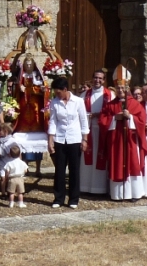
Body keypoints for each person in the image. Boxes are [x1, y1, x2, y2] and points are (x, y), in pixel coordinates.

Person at [98, 73, 147, 201]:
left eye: (123, 88)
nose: (120, 90)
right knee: (117, 162)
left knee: (133, 163)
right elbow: (102, 121)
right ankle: (118, 194)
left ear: (127, 88)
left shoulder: (135, 104)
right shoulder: (110, 105)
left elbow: (142, 121)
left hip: (131, 141)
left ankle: (134, 193)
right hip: (116, 142)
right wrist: (115, 118)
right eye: (118, 88)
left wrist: (131, 117)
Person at [47, 76, 89, 209]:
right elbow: (53, 121)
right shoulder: (54, 102)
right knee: (59, 170)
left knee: (74, 170)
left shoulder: (78, 101)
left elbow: (83, 121)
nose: (57, 94)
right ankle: (58, 198)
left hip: (74, 139)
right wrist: (50, 140)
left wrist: (85, 139)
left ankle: (73, 199)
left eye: (58, 92)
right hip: (60, 138)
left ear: (65, 89)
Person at [80, 69, 113, 195]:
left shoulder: (109, 95)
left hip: (102, 131)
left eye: (100, 78)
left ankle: (100, 188)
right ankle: (85, 186)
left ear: (104, 80)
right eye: (95, 77)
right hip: (88, 130)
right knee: (86, 160)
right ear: (92, 79)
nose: (97, 80)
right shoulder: (84, 95)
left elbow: (112, 112)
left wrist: (99, 115)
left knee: (101, 158)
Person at [13, 54, 47, 176]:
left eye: (30, 64)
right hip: (24, 106)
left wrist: (36, 89)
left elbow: (43, 89)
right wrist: (19, 87)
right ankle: (25, 165)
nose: (28, 66)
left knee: (37, 139)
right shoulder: (21, 76)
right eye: (26, 64)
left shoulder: (37, 76)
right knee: (24, 140)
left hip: (35, 107)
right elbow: (16, 90)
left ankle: (38, 167)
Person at [0, 123, 19, 196]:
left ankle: (11, 191)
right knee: (2, 178)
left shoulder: (12, 141)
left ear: (6, 131)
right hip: (2, 162)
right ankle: (3, 192)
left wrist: (11, 153)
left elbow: (16, 151)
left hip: (10, 162)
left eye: (0, 130)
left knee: (11, 178)